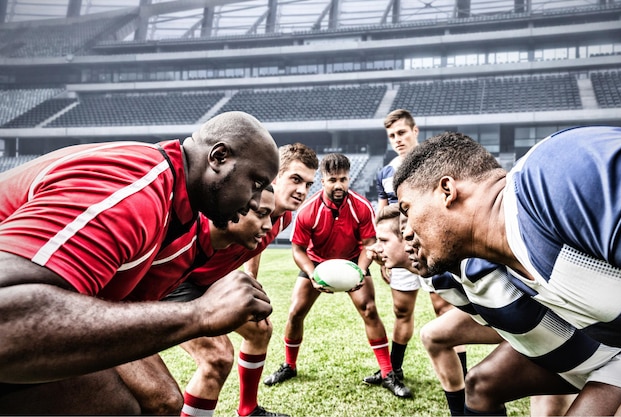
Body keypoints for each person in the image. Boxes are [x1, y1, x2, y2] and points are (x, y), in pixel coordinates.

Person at [0, 111, 280, 414]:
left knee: (143, 403)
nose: (255, 202)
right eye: (255, 183)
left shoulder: (174, 208)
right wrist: (198, 314)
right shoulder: (138, 187)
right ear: (219, 156)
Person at [394, 126, 621, 414]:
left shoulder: (554, 174)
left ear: (447, 191)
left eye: (407, 209)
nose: (406, 231)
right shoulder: (503, 258)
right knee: (481, 384)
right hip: (616, 363)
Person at [120, 143, 319, 416]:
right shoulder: (225, 209)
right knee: (217, 358)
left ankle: (248, 409)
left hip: (208, 283)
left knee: (260, 330)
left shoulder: (282, 218)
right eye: (295, 179)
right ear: (273, 177)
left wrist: (250, 277)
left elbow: (254, 245)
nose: (302, 191)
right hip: (178, 283)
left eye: (308, 184)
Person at [373, 203, 577, 416]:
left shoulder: (451, 262)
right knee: (433, 336)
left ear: (408, 236)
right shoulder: (424, 270)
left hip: (549, 319)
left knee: (539, 400)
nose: (376, 248)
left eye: (383, 240)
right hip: (498, 315)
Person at [263, 153, 411, 398]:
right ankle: (289, 365)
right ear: (323, 180)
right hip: (317, 262)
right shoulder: (308, 210)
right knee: (295, 312)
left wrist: (361, 271)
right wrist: (312, 274)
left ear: (348, 178)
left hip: (353, 260)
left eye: (343, 179)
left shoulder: (361, 206)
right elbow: (298, 249)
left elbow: (368, 243)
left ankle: (387, 373)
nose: (339, 185)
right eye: (333, 180)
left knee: (369, 309)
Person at [365, 108, 466, 389]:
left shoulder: (432, 163)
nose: (397, 139)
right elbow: (382, 215)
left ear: (415, 131)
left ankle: (464, 376)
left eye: (401, 133)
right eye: (392, 136)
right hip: (401, 251)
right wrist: (384, 253)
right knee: (401, 311)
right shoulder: (386, 172)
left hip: (431, 248)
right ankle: (394, 371)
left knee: (444, 309)